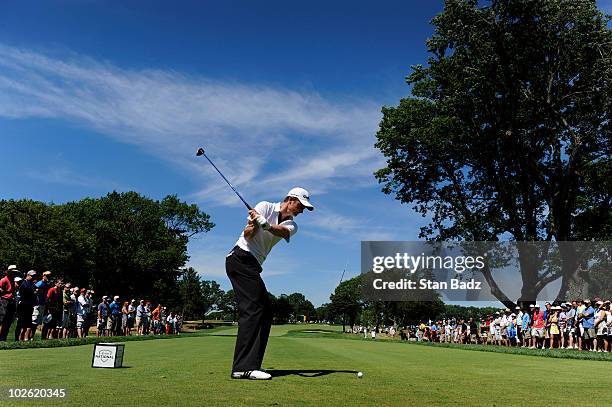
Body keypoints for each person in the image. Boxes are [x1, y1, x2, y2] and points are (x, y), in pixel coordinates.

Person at [226, 187, 313, 380]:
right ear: (290, 200)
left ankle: (250, 365)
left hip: (253, 265)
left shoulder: (292, 225)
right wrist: (256, 224)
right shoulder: (264, 206)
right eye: (300, 205)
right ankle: (243, 367)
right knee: (254, 310)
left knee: (265, 313)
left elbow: (281, 231)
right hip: (240, 259)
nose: (301, 211)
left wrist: (267, 226)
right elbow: (247, 234)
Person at [17, 270, 38, 341]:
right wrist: (34, 292)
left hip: (30, 305)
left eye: (34, 276)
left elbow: (35, 290)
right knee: (23, 323)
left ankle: (26, 338)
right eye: (32, 276)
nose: (33, 277)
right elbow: (27, 292)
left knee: (29, 323)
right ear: (28, 275)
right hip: (24, 305)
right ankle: (20, 339)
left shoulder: (31, 283)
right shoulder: (24, 283)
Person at [0, 265, 19, 341]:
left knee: (8, 322)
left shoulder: (12, 281)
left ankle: (3, 339)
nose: (14, 274)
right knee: (2, 320)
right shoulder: (3, 280)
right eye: (12, 272)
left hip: (11, 302)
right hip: (4, 302)